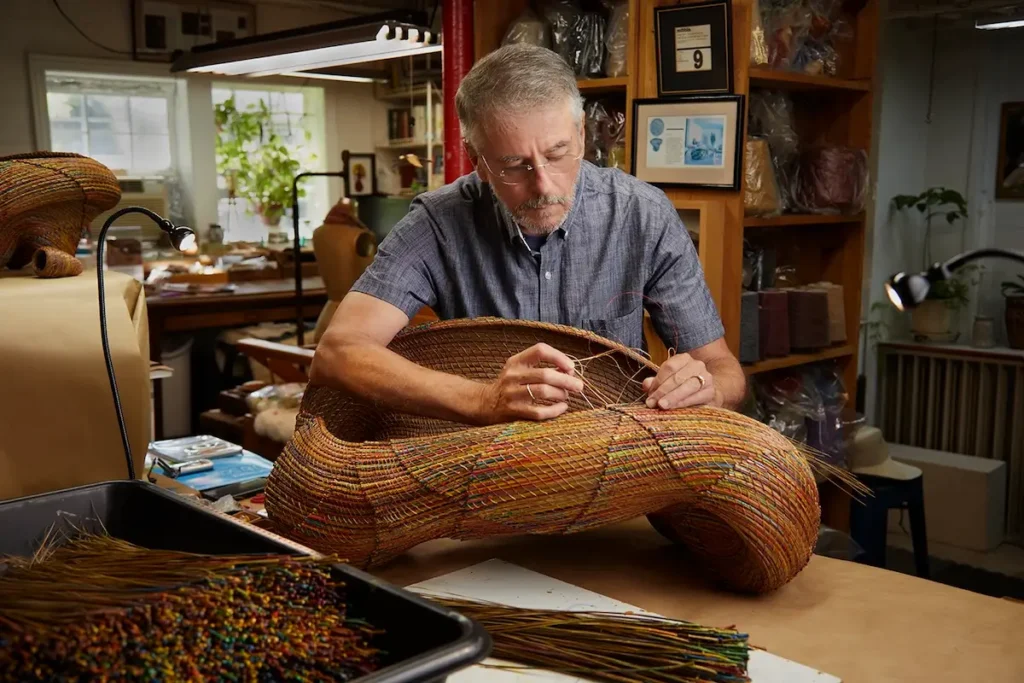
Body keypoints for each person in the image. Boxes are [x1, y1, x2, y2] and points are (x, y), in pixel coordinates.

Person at [311, 44, 746, 425]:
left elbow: (724, 370)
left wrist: (706, 387)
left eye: (558, 154)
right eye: (515, 165)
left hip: (617, 465)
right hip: (487, 466)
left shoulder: (643, 214)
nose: (545, 186)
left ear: (580, 134)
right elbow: (338, 352)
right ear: (477, 159)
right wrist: (483, 399)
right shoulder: (439, 223)